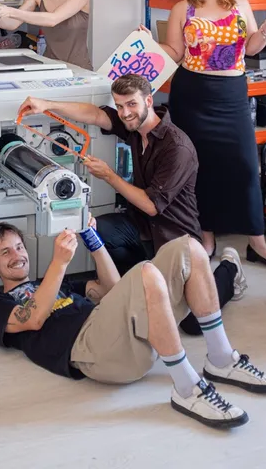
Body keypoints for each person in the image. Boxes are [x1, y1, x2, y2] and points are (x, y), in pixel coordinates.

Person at [0, 221, 266, 430]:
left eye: (19, 247)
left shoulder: (57, 284)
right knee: (145, 272)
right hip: (90, 350)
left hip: (117, 330)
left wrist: (93, 241)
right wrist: (59, 263)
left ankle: (221, 358)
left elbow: (113, 289)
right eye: (6, 252)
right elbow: (33, 319)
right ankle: (188, 388)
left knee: (189, 247)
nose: (17, 256)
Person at [18, 75, 246, 336]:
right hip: (140, 227)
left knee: (192, 324)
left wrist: (109, 175)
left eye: (131, 104)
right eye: (119, 106)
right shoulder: (134, 126)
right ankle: (132, 280)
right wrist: (46, 104)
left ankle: (229, 268)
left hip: (175, 238)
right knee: (95, 231)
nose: (125, 113)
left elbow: (151, 206)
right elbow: (95, 114)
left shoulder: (177, 147)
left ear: (148, 101)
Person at [143, 0, 266, 273]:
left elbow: (251, 47)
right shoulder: (183, 8)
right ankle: (206, 236)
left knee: (245, 166)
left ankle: (258, 242)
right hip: (192, 95)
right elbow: (175, 52)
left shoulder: (240, 4)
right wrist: (148, 44)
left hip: (231, 95)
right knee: (199, 169)